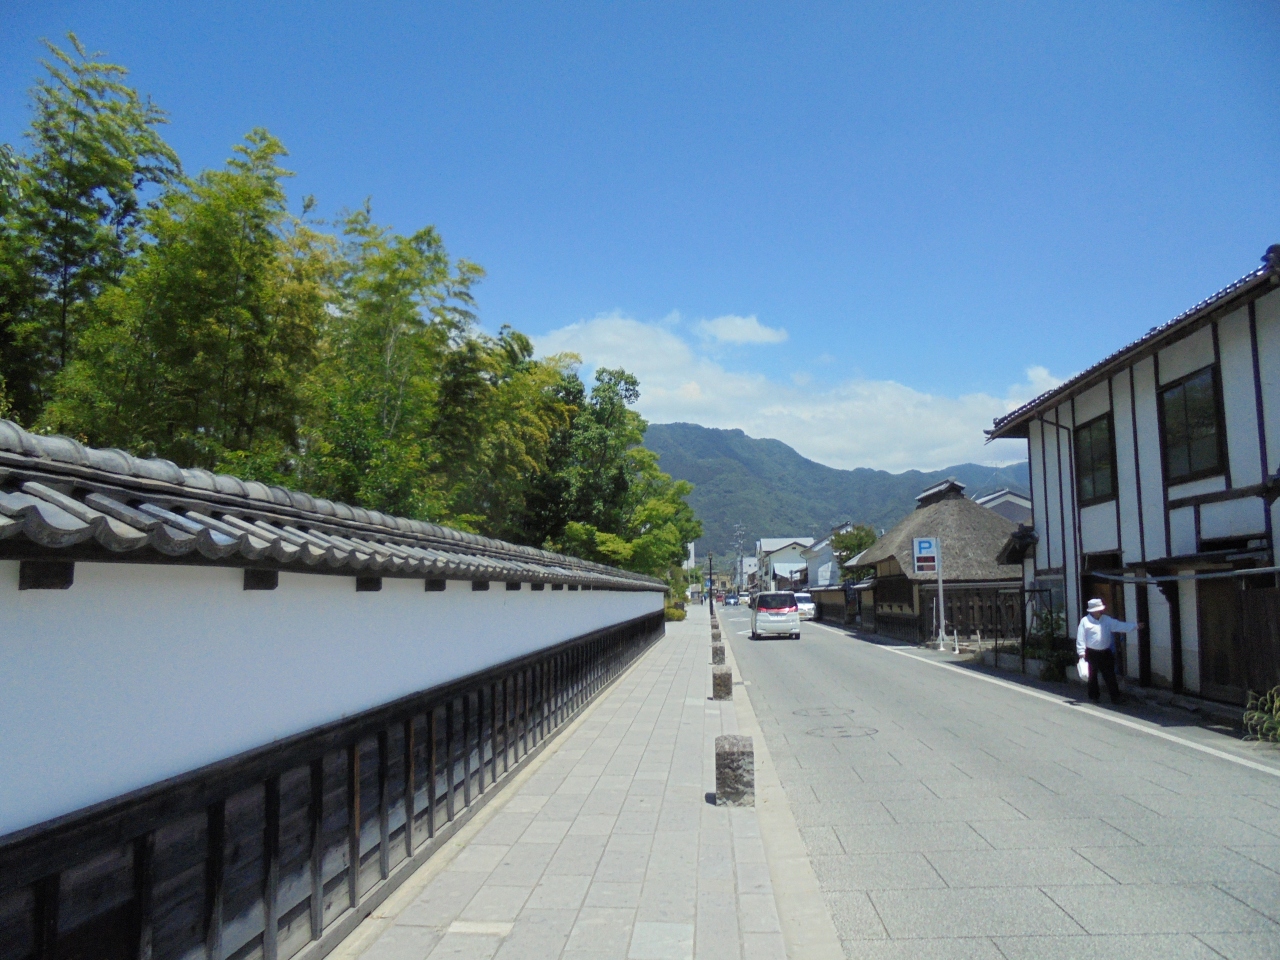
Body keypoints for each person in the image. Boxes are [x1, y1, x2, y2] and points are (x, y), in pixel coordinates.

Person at [1076, 598, 1142, 705]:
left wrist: (1135, 626)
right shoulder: (1085, 621)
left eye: (1099, 609)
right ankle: (1094, 696)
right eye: (1097, 610)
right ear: (1092, 611)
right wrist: (1081, 652)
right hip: (1091, 652)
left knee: (1110, 675)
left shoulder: (1106, 619)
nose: (1099, 612)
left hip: (1105, 652)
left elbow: (1119, 625)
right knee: (1092, 676)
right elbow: (1081, 637)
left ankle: (1115, 697)